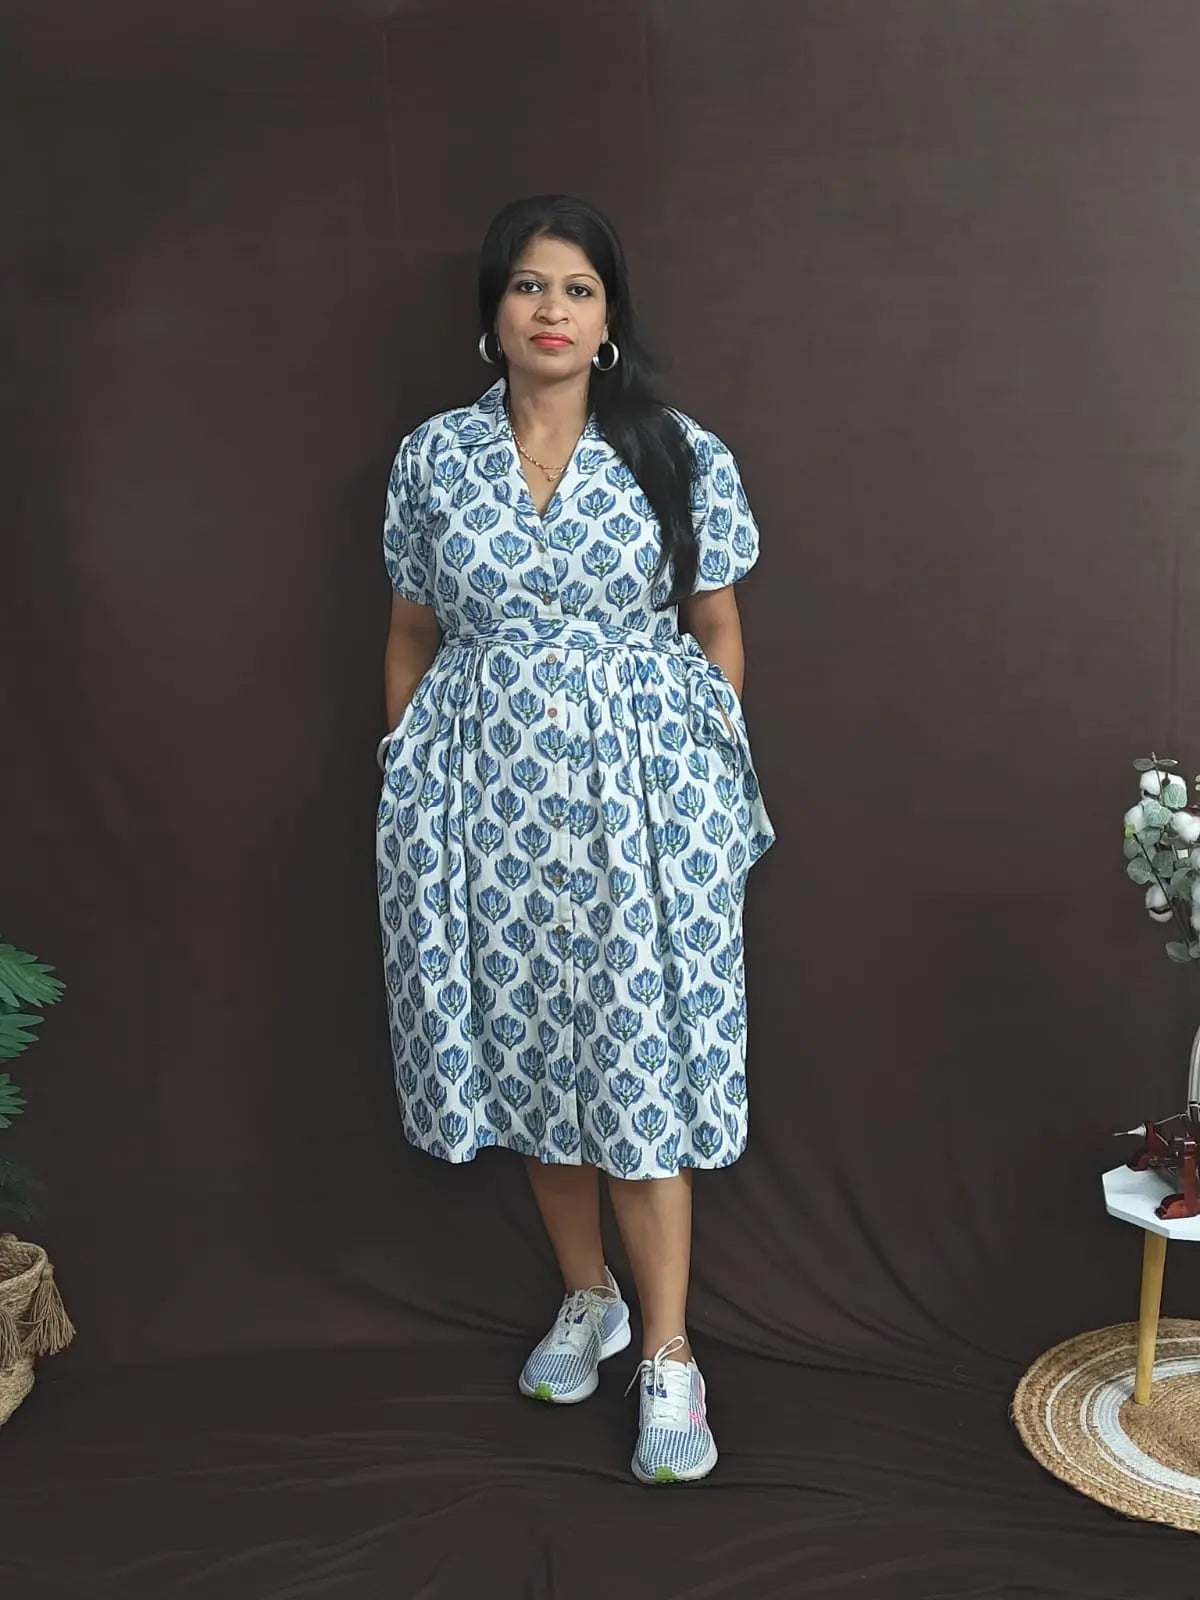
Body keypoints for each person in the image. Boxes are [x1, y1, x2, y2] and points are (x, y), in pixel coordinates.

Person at [375, 194, 775, 1485]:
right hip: (485, 811)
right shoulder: (434, 457)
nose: (552, 310)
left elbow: (717, 626)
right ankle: (588, 1298)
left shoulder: (672, 447)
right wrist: (410, 775)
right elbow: (412, 633)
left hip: (648, 811)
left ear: (610, 319)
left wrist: (705, 778)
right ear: (492, 313)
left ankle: (668, 1357)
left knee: (639, 1076)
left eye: (578, 290)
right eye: (529, 287)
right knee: (538, 1065)